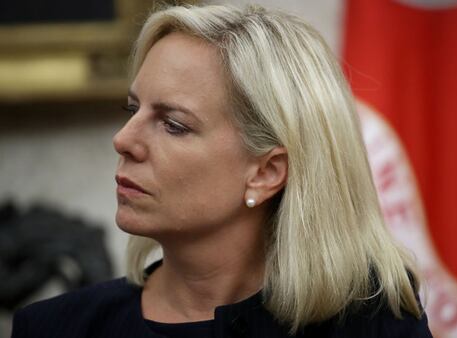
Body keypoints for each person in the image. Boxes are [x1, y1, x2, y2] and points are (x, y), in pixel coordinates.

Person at [11, 3, 432, 338]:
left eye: (174, 124)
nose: (123, 139)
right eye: (132, 109)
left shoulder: (374, 322)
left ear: (266, 173)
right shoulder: (54, 327)